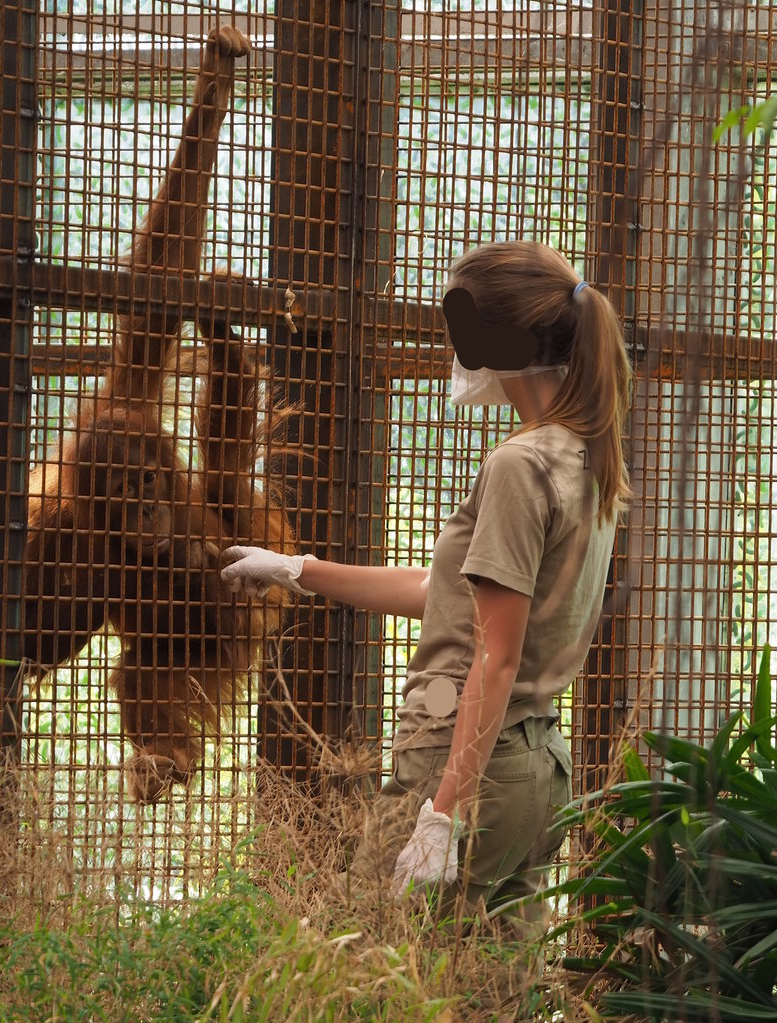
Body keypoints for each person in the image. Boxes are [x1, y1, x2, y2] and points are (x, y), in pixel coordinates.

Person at [221, 240, 631, 927]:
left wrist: (443, 810)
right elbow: (453, 596)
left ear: (501, 336)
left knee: (368, 975)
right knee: (492, 1001)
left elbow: (494, 656)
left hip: (468, 760)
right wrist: (297, 570)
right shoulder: (585, 453)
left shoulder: (518, 465)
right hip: (536, 771)